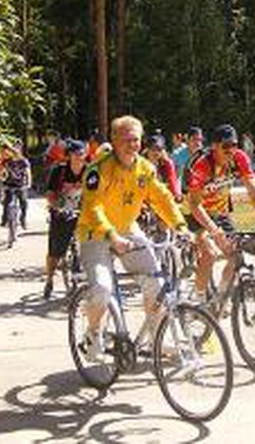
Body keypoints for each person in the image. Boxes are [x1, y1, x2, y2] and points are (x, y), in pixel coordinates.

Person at [75, 115, 189, 361]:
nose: (132, 145)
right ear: (114, 141)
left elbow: (161, 198)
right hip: (96, 233)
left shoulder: (145, 169)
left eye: (136, 140)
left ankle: (159, 337)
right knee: (103, 289)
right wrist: (111, 235)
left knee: (157, 285)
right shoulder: (98, 169)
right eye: (126, 140)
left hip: (127, 229)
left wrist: (180, 225)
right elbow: (92, 208)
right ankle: (93, 333)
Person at [186, 124, 255, 298]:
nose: (231, 150)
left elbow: (253, 189)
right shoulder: (202, 166)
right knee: (210, 254)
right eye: (226, 146)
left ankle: (220, 297)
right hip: (196, 213)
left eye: (234, 145)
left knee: (234, 256)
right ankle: (198, 299)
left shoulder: (239, 158)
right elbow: (195, 205)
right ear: (214, 146)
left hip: (220, 212)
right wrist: (213, 229)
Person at [42, 139, 86, 299]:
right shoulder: (59, 171)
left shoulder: (89, 171)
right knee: (55, 252)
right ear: (69, 155)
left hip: (82, 213)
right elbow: (49, 194)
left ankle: (80, 275)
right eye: (76, 154)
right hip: (61, 213)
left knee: (88, 244)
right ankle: (49, 279)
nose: (79, 157)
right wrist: (56, 206)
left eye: (82, 153)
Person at [0, 141, 31, 229]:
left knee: (24, 202)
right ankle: (4, 219)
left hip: (21, 185)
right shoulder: (6, 161)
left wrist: (28, 183)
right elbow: (2, 172)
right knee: (7, 202)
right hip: (9, 184)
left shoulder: (23, 161)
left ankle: (23, 219)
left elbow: (28, 172)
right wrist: (2, 179)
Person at [145, 134, 181, 201]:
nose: (156, 152)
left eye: (159, 149)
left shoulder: (165, 165)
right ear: (147, 149)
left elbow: (172, 181)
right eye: (153, 149)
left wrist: (177, 195)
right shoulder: (140, 163)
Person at [173, 126, 204, 192]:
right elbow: (174, 178)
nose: (197, 143)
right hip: (182, 192)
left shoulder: (204, 156)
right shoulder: (177, 155)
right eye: (194, 139)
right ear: (188, 140)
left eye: (200, 140)